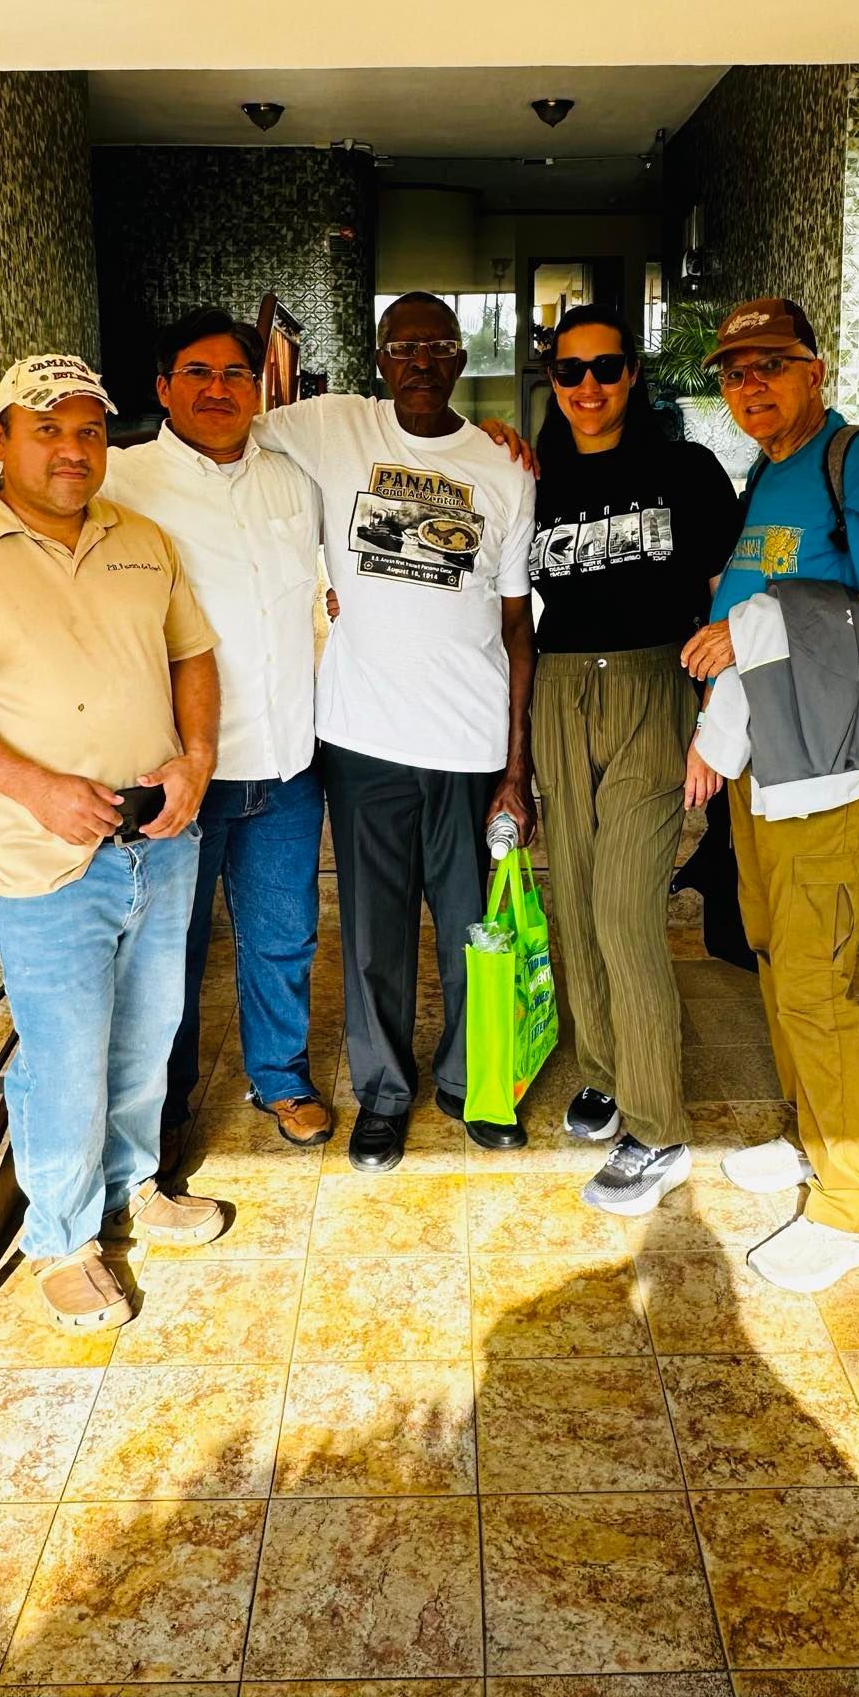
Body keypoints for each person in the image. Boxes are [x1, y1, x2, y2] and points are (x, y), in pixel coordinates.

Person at [0, 310, 330, 1172]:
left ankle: (279, 1077)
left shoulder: (291, 478)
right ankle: (162, 1113)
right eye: (195, 373)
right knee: (175, 959)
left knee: (282, 935)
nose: (217, 389)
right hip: (170, 779)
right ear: (162, 391)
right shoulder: (120, 474)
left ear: (259, 386)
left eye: (235, 373)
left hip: (281, 757)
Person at [0, 355, 225, 1330]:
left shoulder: (143, 537)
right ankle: (62, 1240)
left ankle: (134, 1185)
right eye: (48, 428)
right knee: (65, 1054)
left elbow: (192, 653)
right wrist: (32, 786)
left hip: (161, 833)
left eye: (87, 430)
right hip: (44, 852)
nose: (73, 449)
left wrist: (194, 761)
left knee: (148, 1031)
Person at [681, 297, 859, 1293]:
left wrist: (752, 628)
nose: (750, 384)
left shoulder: (856, 459)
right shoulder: (771, 471)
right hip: (765, 760)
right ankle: (806, 1134)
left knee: (815, 979)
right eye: (735, 371)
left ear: (814, 369)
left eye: (770, 364)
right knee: (776, 951)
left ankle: (852, 1201)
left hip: (824, 760)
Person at [263, 293, 537, 1172]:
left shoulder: (504, 465)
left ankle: (470, 1083)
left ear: (462, 358)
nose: (420, 359)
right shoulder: (332, 425)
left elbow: (518, 621)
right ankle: (383, 1093)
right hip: (363, 740)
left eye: (437, 345)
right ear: (378, 358)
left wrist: (515, 766)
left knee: (471, 931)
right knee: (374, 936)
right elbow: (217, 438)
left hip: (468, 743)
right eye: (402, 345)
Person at [525, 306, 740, 1212]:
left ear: (634, 375)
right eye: (569, 372)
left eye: (605, 369)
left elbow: (731, 599)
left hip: (655, 687)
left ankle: (660, 1131)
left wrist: (716, 725)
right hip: (558, 688)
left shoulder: (684, 471)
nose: (588, 388)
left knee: (623, 909)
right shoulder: (531, 476)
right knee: (573, 897)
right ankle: (605, 1073)